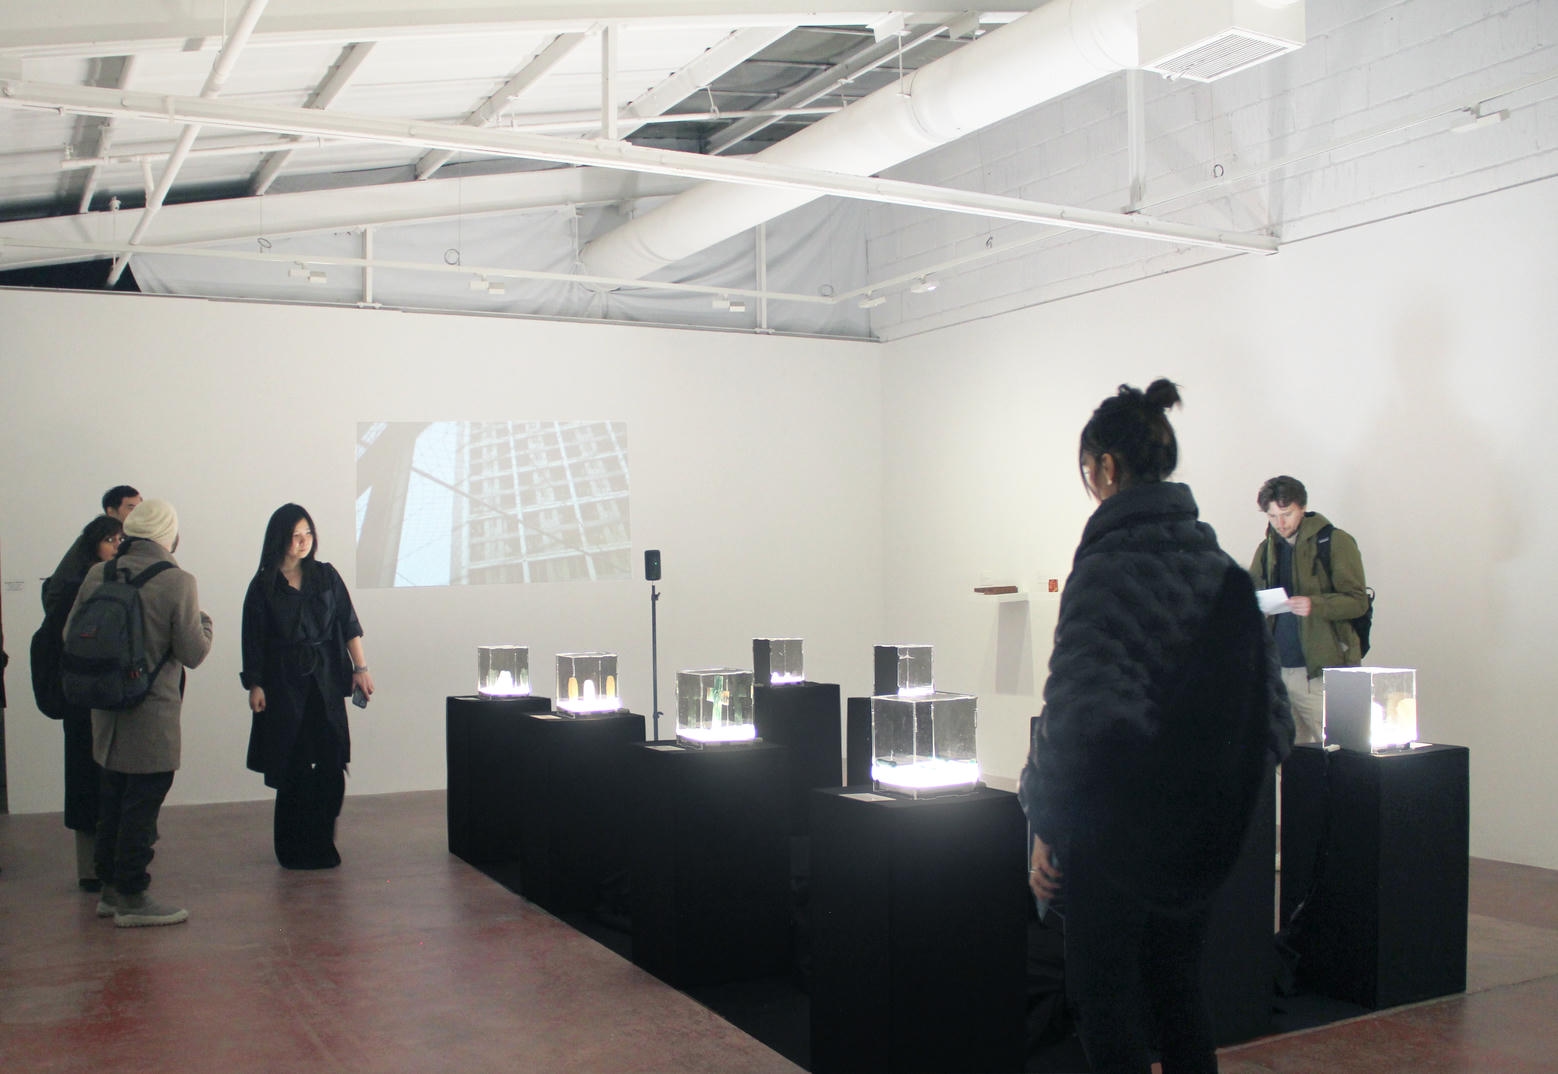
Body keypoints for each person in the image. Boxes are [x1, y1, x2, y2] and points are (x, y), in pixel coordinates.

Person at [1019, 380, 1293, 1074]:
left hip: (1114, 833)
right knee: (1177, 991)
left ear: (1107, 468)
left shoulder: (1104, 570)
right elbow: (1272, 720)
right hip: (1200, 837)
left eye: (1088, 470)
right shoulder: (1223, 573)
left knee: (1103, 997)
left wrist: (1047, 821)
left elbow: (1077, 716)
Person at [71, 498, 213, 927]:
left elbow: (70, 634)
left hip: (107, 709)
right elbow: (193, 652)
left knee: (113, 799)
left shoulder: (100, 573)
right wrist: (206, 624)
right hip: (151, 712)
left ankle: (110, 891)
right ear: (170, 534)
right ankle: (134, 896)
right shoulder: (177, 581)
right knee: (142, 804)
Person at [241, 504, 374, 869]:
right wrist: (255, 685)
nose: (303, 542)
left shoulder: (325, 576)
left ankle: (322, 840)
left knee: (332, 762)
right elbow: (253, 640)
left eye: (308, 534)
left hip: (326, 678)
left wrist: (360, 668)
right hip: (283, 683)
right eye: (295, 535)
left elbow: (348, 623)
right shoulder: (264, 585)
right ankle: (291, 846)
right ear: (279, 539)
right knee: (293, 765)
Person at [1248, 476, 1369, 745]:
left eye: (1286, 514)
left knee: (1340, 750)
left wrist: (1315, 604)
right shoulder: (1267, 549)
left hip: (1323, 671)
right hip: (1279, 671)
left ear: (1302, 507)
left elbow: (1358, 601)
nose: (1280, 523)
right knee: (1287, 757)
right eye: (1272, 516)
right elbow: (1251, 596)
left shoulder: (1334, 541)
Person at [40, 515, 124, 892]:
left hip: (106, 694)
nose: (117, 546)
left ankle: (111, 862)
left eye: (121, 540)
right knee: (86, 780)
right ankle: (90, 869)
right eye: (110, 540)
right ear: (94, 544)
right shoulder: (73, 585)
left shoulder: (114, 580)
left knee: (110, 777)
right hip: (81, 697)